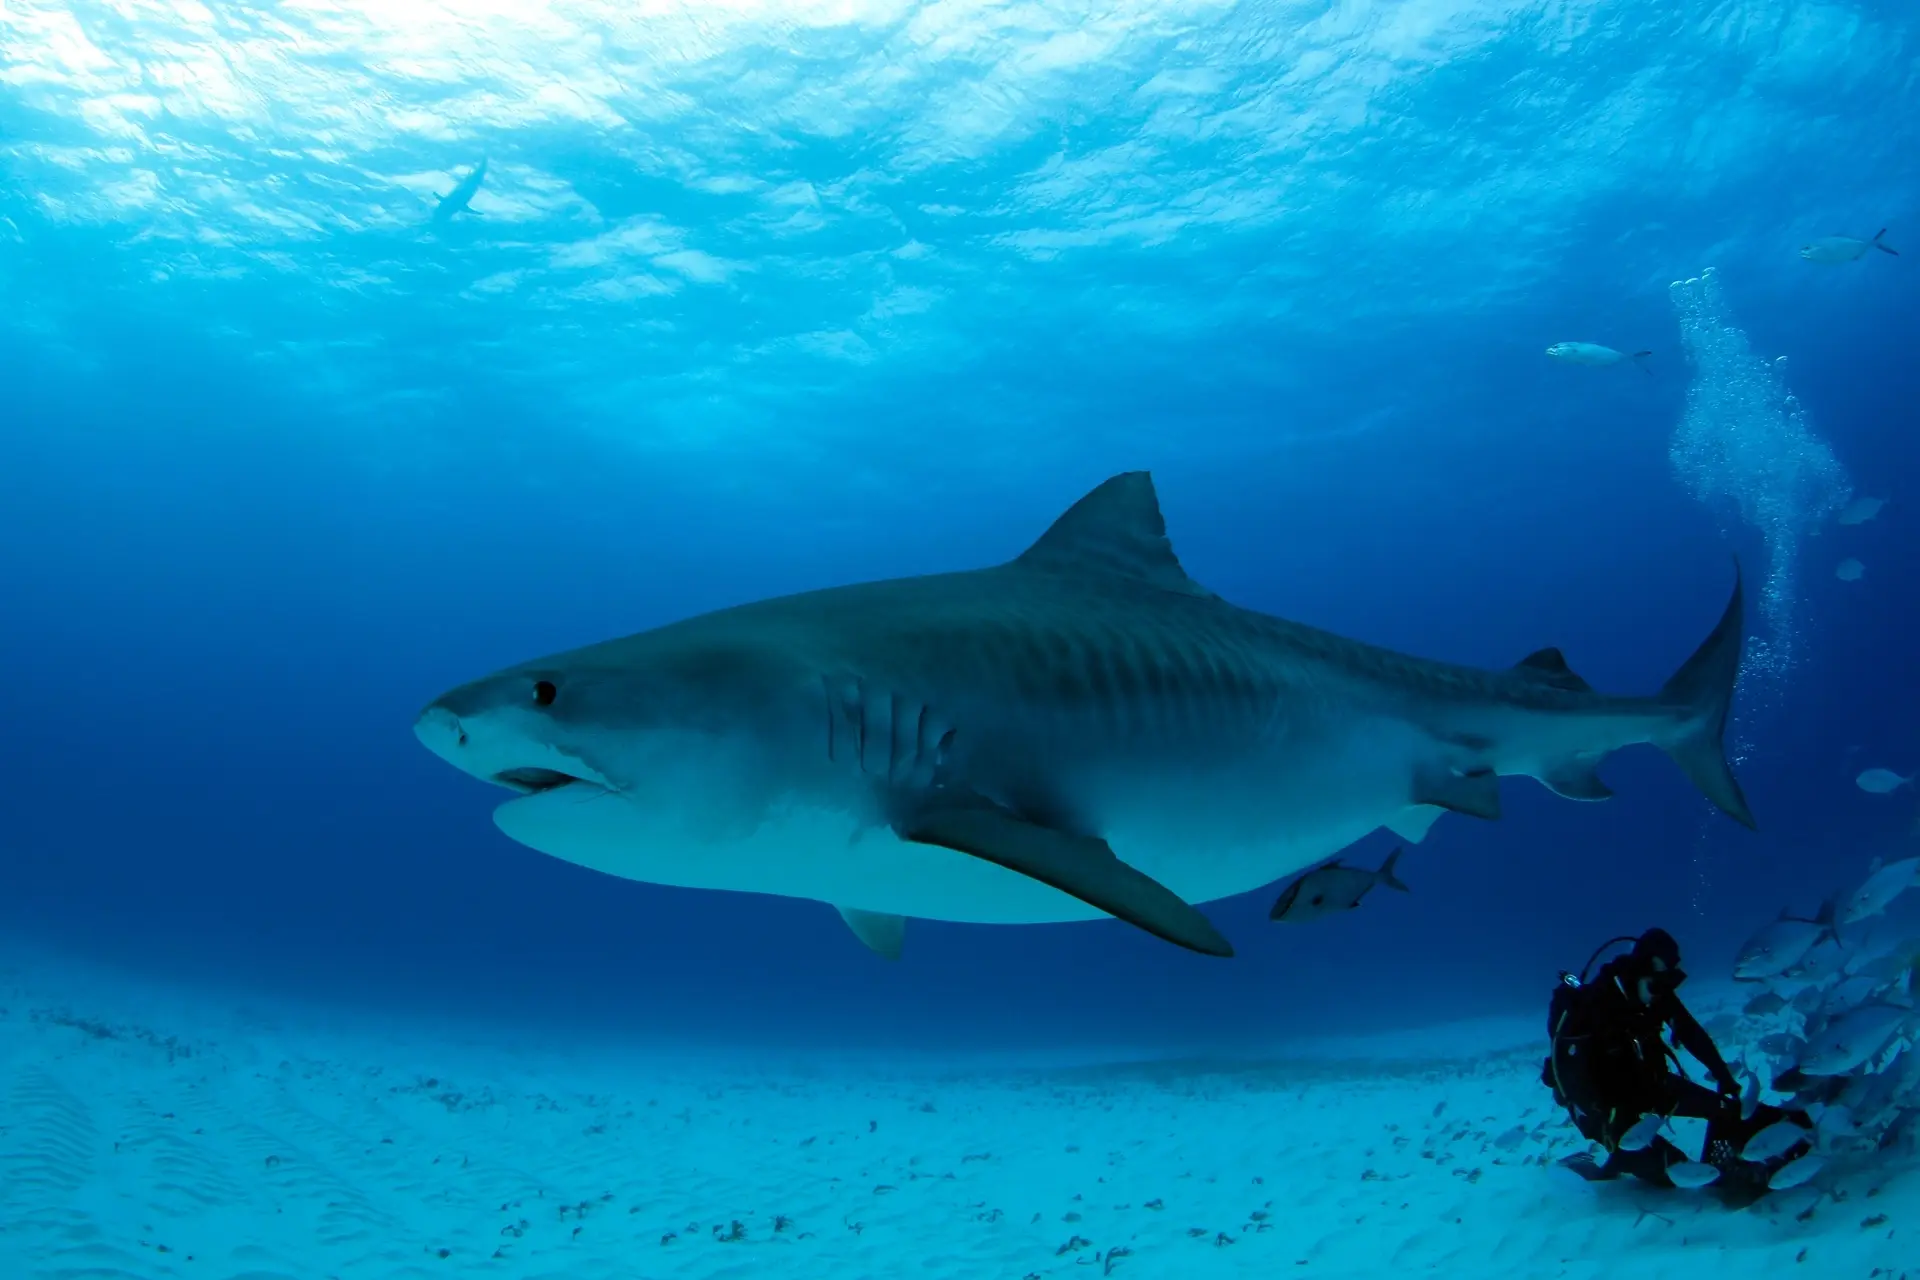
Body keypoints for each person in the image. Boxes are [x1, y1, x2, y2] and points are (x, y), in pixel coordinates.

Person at [1542, 927, 1812, 1191]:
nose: (1661, 994)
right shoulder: (1594, 1007)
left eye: (1666, 986)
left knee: (1728, 1110)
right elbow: (1571, 1078)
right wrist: (1609, 1124)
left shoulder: (1655, 993)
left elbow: (1691, 1033)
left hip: (1649, 1084)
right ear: (1638, 974)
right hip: (1600, 1105)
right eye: (1657, 985)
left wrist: (1724, 1077)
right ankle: (1599, 1164)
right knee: (1675, 1172)